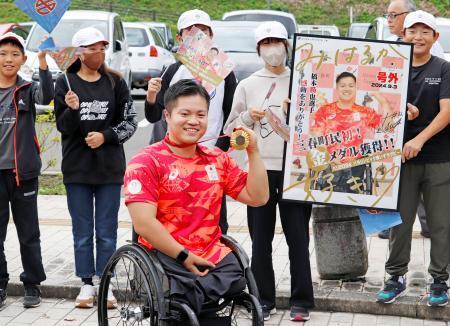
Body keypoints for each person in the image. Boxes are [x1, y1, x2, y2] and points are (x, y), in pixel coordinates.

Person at [124, 79, 269, 323]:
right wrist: (184, 256)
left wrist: (253, 152)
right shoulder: (146, 162)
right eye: (185, 113)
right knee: (188, 300)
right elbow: (144, 225)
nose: (194, 121)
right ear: (167, 115)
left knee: (233, 279)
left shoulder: (217, 159)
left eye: (201, 114)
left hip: (212, 255)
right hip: (167, 257)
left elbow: (258, 197)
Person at [223, 21, 314, 322]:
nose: (273, 48)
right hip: (260, 171)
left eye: (278, 41)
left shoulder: (304, 80)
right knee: (260, 238)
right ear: (259, 49)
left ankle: (302, 300)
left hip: (297, 171)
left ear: (288, 46)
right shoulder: (248, 84)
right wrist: (247, 116)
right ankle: (263, 298)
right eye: (266, 42)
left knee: (298, 237)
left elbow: (319, 124)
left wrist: (297, 112)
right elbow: (229, 133)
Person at [54, 27, 137, 308]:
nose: (98, 53)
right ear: (79, 53)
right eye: (92, 48)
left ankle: (106, 282)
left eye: (102, 47)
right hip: (77, 168)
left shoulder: (116, 82)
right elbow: (62, 127)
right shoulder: (64, 82)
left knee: (106, 230)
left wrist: (106, 136)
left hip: (109, 169)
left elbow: (130, 123)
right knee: (82, 230)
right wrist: (71, 109)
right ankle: (86, 283)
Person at [376, 10, 450, 307]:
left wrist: (419, 139)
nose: (417, 37)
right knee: (399, 223)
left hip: (439, 159)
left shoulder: (443, 68)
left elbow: (447, 111)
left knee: (441, 223)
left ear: (435, 37)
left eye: (424, 32)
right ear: (402, 35)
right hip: (399, 160)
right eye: (412, 31)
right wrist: (397, 107)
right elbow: (377, 109)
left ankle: (440, 281)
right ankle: (395, 277)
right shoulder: (390, 69)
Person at [145, 9, 237, 235]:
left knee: (214, 218)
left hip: (209, 155)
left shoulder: (224, 72)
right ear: (180, 38)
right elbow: (154, 115)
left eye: (203, 31)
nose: (198, 36)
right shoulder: (173, 70)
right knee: (175, 214)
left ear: (211, 36)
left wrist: (219, 152)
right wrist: (150, 96)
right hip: (174, 158)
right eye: (191, 31)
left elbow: (231, 114)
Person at [378, 0, 444, 239]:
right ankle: (391, 227)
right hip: (395, 132)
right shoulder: (394, 48)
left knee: (422, 188)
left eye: (394, 15)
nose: (389, 20)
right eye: (388, 15)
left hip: (423, 137)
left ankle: (428, 229)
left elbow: (432, 96)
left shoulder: (429, 52)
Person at [0, 32, 53, 308]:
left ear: (22, 59)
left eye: (14, 54)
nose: (8, 59)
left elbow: (47, 95)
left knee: (28, 233)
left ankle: (32, 284)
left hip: (23, 175)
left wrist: (43, 62)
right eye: (3, 53)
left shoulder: (27, 88)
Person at [311, 72, 400, 194]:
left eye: (350, 85)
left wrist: (383, 102)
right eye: (343, 86)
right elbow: (318, 138)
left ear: (356, 88)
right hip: (329, 164)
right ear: (337, 88)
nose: (346, 89)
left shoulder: (364, 112)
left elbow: (387, 126)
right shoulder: (325, 111)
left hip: (354, 167)